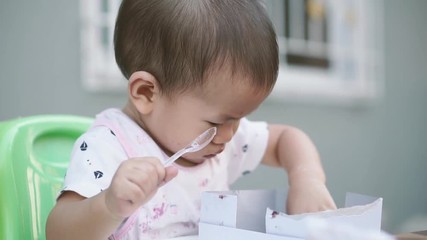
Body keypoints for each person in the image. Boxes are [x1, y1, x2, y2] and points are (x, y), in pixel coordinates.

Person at [46, 0, 337, 239]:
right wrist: (109, 205)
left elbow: (287, 139)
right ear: (147, 93)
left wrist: (307, 179)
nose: (229, 135)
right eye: (216, 124)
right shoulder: (109, 148)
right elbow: (58, 232)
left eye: (239, 119)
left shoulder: (221, 141)